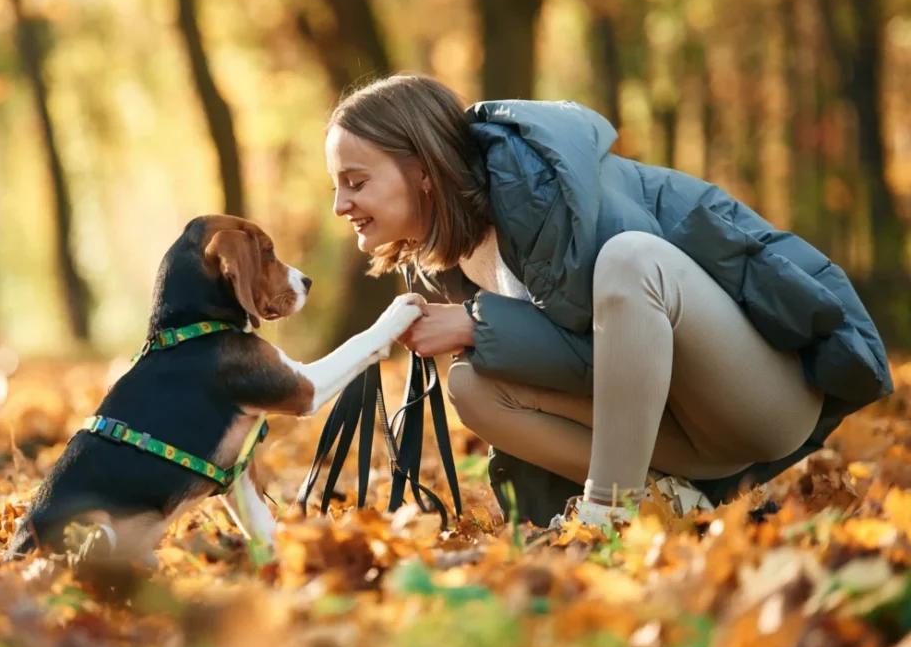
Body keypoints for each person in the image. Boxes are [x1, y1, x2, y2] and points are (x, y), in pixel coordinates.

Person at [324, 73, 893, 529]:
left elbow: (628, 344)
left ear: (422, 173)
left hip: (758, 401)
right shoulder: (453, 255)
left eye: (355, 181)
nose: (340, 205)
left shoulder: (548, 198)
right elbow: (596, 373)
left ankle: (606, 511)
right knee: (471, 385)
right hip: (681, 436)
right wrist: (476, 325)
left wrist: (477, 325)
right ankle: (670, 504)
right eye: (337, 186)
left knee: (630, 259)